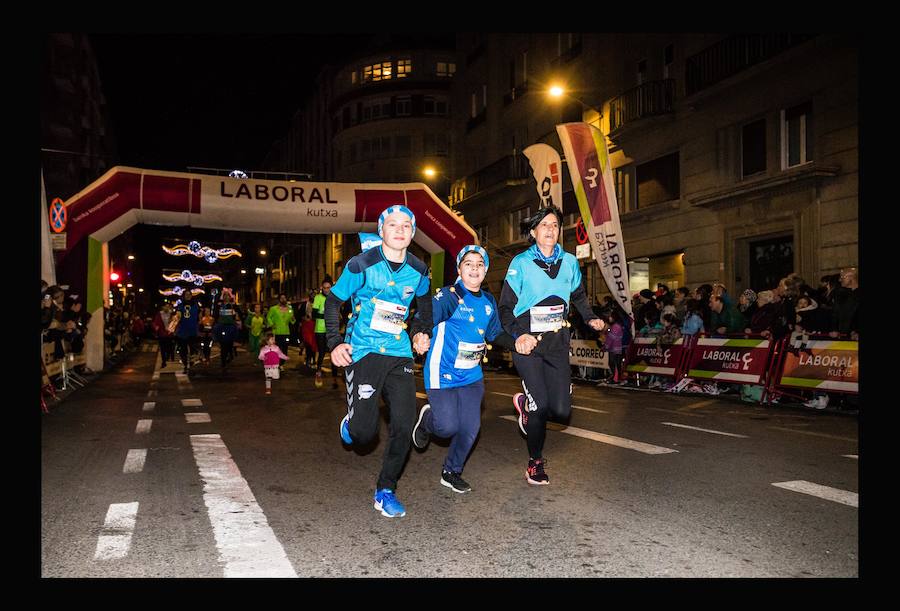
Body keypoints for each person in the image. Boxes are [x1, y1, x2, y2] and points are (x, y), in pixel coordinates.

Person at [326, 205, 432, 518]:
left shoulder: (419, 270)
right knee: (364, 435)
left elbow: (424, 308)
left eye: (406, 225)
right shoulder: (360, 264)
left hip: (399, 352)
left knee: (403, 424)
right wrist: (334, 343)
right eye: (392, 224)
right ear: (382, 230)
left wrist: (420, 332)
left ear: (413, 233)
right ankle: (352, 423)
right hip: (363, 351)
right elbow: (333, 302)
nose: (399, 230)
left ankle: (386, 490)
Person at [499, 206, 606, 485]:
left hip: (557, 341)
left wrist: (590, 317)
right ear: (533, 232)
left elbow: (578, 296)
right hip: (528, 341)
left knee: (561, 411)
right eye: (544, 225)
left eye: (555, 225)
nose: (550, 229)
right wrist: (518, 336)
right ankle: (535, 463)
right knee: (541, 405)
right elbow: (505, 308)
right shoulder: (521, 263)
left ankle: (525, 405)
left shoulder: (569, 262)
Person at [411, 245, 515, 494]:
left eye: (480, 264)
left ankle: (451, 472)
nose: (474, 268)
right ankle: (427, 420)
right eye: (468, 263)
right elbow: (423, 319)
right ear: (459, 269)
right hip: (443, 371)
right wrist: (419, 336)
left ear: (485, 270)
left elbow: (494, 333)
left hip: (471, 374)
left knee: (470, 428)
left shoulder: (488, 301)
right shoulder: (450, 297)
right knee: (447, 427)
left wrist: (517, 342)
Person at [313, 279, 339, 389]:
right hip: (320, 330)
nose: (326, 290)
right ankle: (318, 372)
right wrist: (327, 315)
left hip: (332, 330)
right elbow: (314, 314)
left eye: (328, 288)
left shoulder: (335, 298)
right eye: (325, 288)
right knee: (322, 352)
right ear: (322, 288)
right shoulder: (318, 298)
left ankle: (335, 379)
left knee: (334, 353)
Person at [212, 288, 243, 370]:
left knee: (229, 344)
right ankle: (223, 362)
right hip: (221, 327)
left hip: (230, 328)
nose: (226, 297)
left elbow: (240, 315)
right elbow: (215, 316)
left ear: (230, 297)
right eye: (224, 295)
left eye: (227, 295)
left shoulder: (233, 305)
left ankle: (230, 355)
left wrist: (237, 317)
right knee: (223, 345)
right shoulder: (219, 305)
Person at [174, 291, 200, 375]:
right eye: (186, 294)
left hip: (192, 330)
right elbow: (178, 316)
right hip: (182, 330)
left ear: (191, 296)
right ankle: (185, 365)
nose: (188, 296)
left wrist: (199, 327)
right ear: (184, 296)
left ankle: (191, 366)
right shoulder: (180, 305)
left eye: (189, 294)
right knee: (183, 350)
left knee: (193, 350)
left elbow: (199, 317)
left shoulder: (196, 305)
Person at [266, 294, 296, 367]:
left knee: (285, 349)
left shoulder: (289, 309)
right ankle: (277, 364)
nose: (283, 299)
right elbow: (268, 317)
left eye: (284, 298)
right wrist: (272, 324)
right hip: (277, 332)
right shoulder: (273, 309)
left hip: (286, 332)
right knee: (277, 349)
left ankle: (281, 363)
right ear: (279, 299)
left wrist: (293, 318)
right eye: (282, 298)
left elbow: (292, 321)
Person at [152, 303, 176, 368]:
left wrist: (173, 329)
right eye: (165, 306)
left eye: (168, 307)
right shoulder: (159, 314)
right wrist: (156, 327)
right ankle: (164, 361)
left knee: (168, 348)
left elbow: (175, 322)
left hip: (169, 334)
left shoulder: (172, 314)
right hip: (161, 334)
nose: (167, 308)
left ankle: (167, 357)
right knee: (162, 348)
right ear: (163, 307)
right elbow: (155, 322)